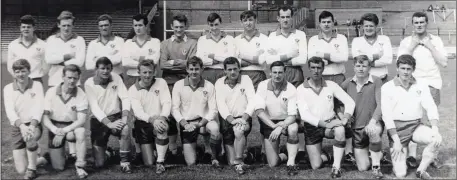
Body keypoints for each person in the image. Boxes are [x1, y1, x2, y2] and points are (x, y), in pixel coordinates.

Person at [397, 12, 447, 169]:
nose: (419, 25)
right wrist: (412, 45)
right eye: (416, 22)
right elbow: (400, 63)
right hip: (412, 84)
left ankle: (432, 156)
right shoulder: (406, 41)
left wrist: (429, 45)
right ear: (413, 24)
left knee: (431, 119)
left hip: (432, 84)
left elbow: (444, 62)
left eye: (422, 22)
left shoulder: (436, 40)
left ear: (427, 24)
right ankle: (411, 156)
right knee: (412, 119)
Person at [381, 54, 442, 179]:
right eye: (402, 68)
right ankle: (399, 158)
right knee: (400, 174)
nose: (405, 72)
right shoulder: (387, 87)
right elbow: (386, 116)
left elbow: (430, 106)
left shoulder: (421, 84)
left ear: (413, 69)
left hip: (415, 126)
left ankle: (420, 171)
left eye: (408, 69)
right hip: (398, 131)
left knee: (436, 138)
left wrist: (435, 129)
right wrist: (396, 141)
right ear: (397, 68)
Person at [296, 57, 355, 178]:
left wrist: (345, 119)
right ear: (309, 69)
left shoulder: (331, 85)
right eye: (313, 67)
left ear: (323, 69)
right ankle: (327, 156)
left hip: (330, 123)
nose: (316, 71)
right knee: (316, 165)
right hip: (312, 126)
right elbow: (304, 115)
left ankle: (336, 167)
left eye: (318, 68)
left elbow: (350, 102)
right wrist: (326, 124)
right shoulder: (301, 89)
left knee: (340, 129)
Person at [307, 10, 353, 164]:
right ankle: (317, 149)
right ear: (319, 24)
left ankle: (348, 150)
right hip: (321, 79)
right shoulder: (313, 39)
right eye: (323, 22)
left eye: (329, 21)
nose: (326, 24)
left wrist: (324, 55)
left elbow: (344, 57)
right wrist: (333, 56)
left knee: (341, 111)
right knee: (321, 111)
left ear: (333, 23)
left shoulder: (341, 38)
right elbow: (312, 58)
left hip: (338, 77)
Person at [264, 5, 308, 161]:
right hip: (279, 74)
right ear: (278, 18)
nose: (285, 20)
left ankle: (301, 149)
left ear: (292, 17)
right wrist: (290, 54)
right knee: (278, 107)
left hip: (295, 73)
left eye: (288, 16)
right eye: (282, 17)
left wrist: (278, 57)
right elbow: (269, 60)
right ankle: (278, 143)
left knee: (298, 111)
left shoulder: (300, 35)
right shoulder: (271, 37)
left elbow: (302, 59)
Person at [122, 14, 161, 164]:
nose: (137, 28)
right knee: (133, 116)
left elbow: (154, 62)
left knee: (151, 111)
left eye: (140, 25)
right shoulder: (128, 43)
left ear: (146, 26)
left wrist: (137, 61)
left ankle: (157, 147)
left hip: (149, 79)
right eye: (135, 25)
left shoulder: (155, 41)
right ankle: (138, 150)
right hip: (132, 79)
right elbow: (125, 61)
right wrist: (143, 60)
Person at [160, 13, 197, 162]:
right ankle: (173, 149)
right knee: (170, 115)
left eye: (181, 27)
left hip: (186, 83)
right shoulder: (165, 44)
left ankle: (187, 145)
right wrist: (182, 63)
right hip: (168, 82)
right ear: (171, 27)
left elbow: (192, 64)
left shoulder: (192, 43)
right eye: (176, 27)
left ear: (185, 27)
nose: (179, 30)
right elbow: (162, 64)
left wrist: (172, 62)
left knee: (186, 113)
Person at [84, 57, 132, 173]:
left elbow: (125, 97)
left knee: (125, 129)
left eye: (108, 68)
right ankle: (108, 152)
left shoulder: (116, 77)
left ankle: (125, 163)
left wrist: (124, 118)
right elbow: (94, 107)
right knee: (99, 164)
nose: (105, 71)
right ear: (96, 69)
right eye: (102, 68)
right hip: (98, 121)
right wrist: (109, 123)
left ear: (111, 69)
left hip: (115, 116)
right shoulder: (89, 83)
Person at [171, 56, 220, 166]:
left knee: (215, 129)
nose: (194, 72)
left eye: (197, 69)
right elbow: (174, 109)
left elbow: (213, 110)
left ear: (202, 69)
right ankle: (197, 150)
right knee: (191, 162)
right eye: (191, 69)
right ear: (187, 70)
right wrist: (184, 124)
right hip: (187, 124)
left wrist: (200, 123)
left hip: (203, 122)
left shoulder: (209, 86)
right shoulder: (178, 85)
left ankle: (213, 155)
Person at [340, 55, 384, 179]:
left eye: (364, 66)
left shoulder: (376, 81)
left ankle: (376, 167)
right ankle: (378, 154)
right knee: (362, 167)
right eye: (358, 66)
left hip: (372, 123)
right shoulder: (347, 83)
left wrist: (373, 121)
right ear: (353, 67)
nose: (361, 69)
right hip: (356, 128)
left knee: (374, 130)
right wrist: (344, 114)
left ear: (369, 67)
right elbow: (336, 101)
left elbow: (381, 104)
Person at [42, 64, 88, 178]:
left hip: (72, 126)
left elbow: (81, 120)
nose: (72, 81)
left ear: (78, 78)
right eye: (69, 77)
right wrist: (55, 130)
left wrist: (63, 131)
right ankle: (53, 156)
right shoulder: (51, 92)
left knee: (80, 132)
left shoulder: (81, 94)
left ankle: (80, 165)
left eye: (75, 78)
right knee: (59, 167)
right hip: (55, 126)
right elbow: (45, 118)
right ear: (63, 77)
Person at [254, 61, 300, 175]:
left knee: (293, 129)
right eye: (274, 72)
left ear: (285, 73)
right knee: (273, 163)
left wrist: (281, 126)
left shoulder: (291, 89)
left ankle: (291, 162)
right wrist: (274, 126)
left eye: (280, 72)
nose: (277, 75)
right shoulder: (262, 85)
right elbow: (259, 111)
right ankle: (284, 154)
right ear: (270, 73)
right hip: (270, 122)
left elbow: (293, 116)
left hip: (287, 121)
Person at [4, 59, 45, 179]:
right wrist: (22, 126)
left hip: (34, 124)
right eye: (17, 71)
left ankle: (32, 168)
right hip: (18, 126)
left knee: (30, 137)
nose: (20, 74)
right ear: (13, 73)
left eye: (23, 71)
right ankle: (40, 159)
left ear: (29, 71)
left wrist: (31, 126)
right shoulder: (7, 88)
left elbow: (39, 107)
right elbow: (10, 111)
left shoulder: (37, 85)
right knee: (21, 169)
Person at [129, 60, 172, 174]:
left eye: (150, 72)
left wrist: (162, 118)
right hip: (144, 123)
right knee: (148, 162)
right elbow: (138, 112)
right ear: (139, 72)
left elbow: (167, 102)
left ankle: (160, 162)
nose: (147, 75)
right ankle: (154, 149)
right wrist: (153, 120)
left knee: (162, 128)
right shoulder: (133, 89)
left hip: (160, 119)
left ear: (154, 72)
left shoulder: (161, 82)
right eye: (144, 72)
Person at [215, 57, 256, 174]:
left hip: (243, 119)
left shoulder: (246, 79)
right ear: (224, 71)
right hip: (227, 120)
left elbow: (252, 100)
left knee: (238, 131)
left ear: (239, 69)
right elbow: (220, 104)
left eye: (235, 69)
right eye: (229, 70)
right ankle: (247, 154)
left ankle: (239, 163)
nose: (232, 72)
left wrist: (244, 118)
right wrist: (232, 120)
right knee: (229, 161)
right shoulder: (219, 83)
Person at [45, 10, 86, 87]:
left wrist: (58, 61)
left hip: (74, 81)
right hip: (55, 81)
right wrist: (67, 57)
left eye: (68, 25)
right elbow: (49, 59)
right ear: (58, 25)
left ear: (73, 25)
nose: (66, 28)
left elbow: (80, 62)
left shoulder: (79, 40)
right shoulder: (51, 39)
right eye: (64, 25)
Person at [196, 12, 236, 84]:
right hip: (207, 73)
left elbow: (231, 58)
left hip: (224, 72)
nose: (214, 28)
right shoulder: (202, 39)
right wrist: (219, 59)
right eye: (211, 25)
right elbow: (200, 59)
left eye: (216, 24)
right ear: (208, 25)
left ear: (220, 23)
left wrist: (212, 56)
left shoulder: (230, 39)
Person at [352, 13, 393, 84]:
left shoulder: (385, 39)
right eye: (366, 26)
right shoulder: (356, 41)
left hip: (382, 79)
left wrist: (367, 61)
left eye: (371, 26)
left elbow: (388, 59)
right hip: (364, 81)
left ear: (376, 26)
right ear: (362, 27)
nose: (368, 28)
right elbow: (358, 60)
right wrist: (377, 56)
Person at [7, 15, 48, 84]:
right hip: (19, 80)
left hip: (36, 80)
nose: (26, 29)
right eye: (23, 27)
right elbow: (10, 66)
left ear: (33, 28)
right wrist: (19, 76)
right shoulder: (13, 45)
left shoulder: (43, 44)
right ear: (20, 28)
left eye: (29, 27)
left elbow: (46, 66)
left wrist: (36, 75)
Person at [234, 10, 268, 90]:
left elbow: (261, 60)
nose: (248, 23)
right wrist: (254, 59)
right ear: (241, 22)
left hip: (258, 74)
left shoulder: (264, 39)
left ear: (255, 20)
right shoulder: (236, 40)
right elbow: (235, 61)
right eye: (245, 20)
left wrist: (242, 56)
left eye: (250, 20)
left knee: (258, 101)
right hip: (241, 74)